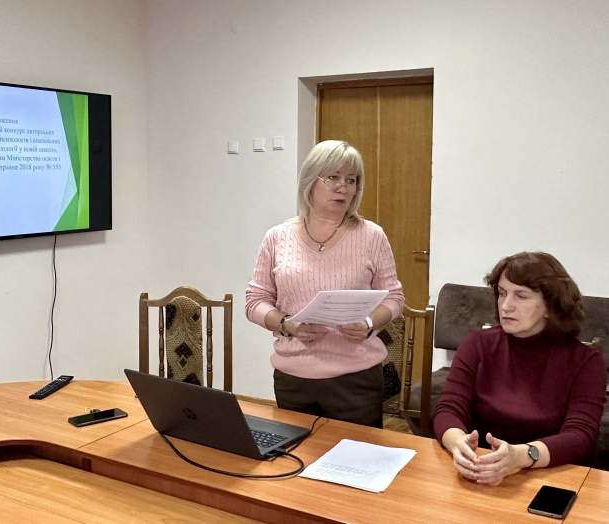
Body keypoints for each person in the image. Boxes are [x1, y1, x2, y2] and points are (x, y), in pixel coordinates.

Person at [245, 140, 405, 428]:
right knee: (296, 454)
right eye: (333, 177)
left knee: (357, 455)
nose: (343, 187)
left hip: (356, 380)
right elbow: (255, 301)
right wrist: (286, 324)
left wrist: (369, 324)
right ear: (310, 181)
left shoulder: (372, 235)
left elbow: (394, 298)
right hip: (293, 379)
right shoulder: (277, 237)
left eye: (351, 180)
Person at [434, 251, 607, 485]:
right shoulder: (477, 344)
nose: (506, 306)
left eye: (521, 296)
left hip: (554, 475)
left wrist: (520, 456)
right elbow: (449, 408)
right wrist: (458, 444)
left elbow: (580, 436)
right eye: (502, 293)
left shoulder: (585, 361)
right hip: (482, 468)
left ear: (551, 305)